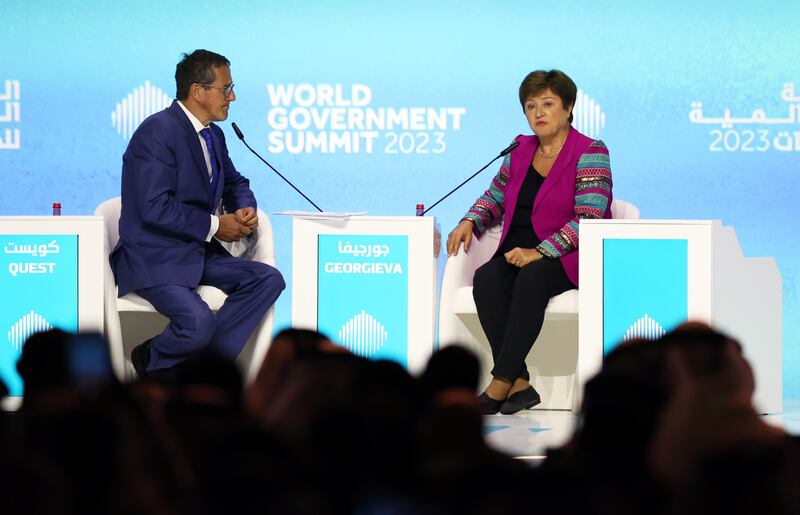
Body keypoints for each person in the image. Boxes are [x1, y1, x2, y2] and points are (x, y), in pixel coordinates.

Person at [446, 70, 613, 414]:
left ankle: (501, 382)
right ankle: (520, 385)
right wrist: (470, 219)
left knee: (532, 279)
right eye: (531, 105)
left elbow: (589, 219)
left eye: (548, 104)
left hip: (568, 254)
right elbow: (495, 195)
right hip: (517, 249)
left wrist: (540, 252)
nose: (538, 112)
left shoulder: (590, 151)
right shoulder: (519, 148)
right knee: (487, 278)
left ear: (568, 108)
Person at [110, 49, 285, 377]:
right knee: (197, 323)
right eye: (226, 88)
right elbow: (153, 207)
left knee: (267, 279)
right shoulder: (156, 132)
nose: (232, 96)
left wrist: (243, 207)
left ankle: (203, 373)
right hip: (155, 256)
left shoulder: (213, 134)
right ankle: (151, 357)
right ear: (197, 91)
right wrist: (217, 225)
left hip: (196, 252)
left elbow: (234, 182)